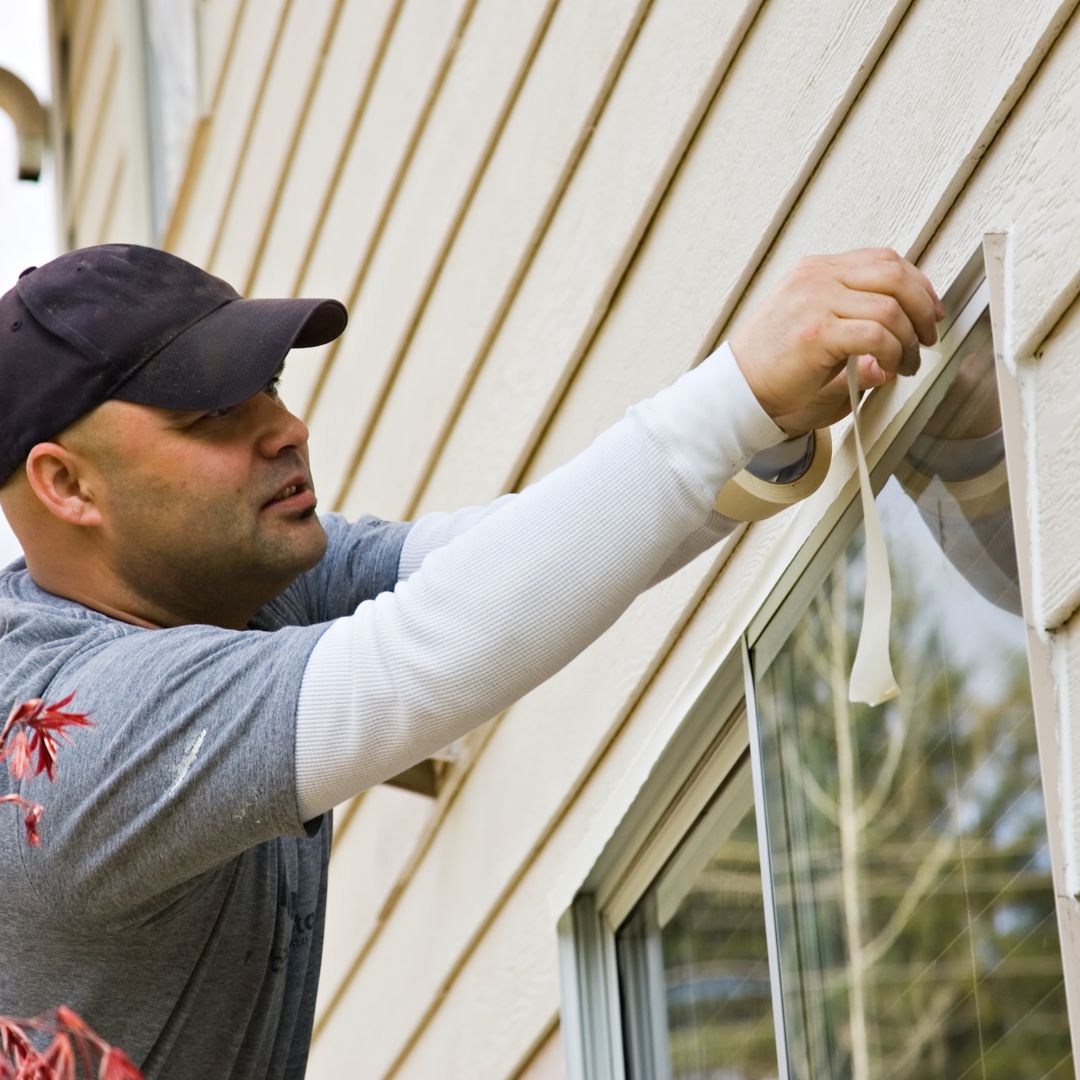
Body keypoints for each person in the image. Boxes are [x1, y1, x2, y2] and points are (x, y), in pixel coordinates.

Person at [0, 243, 942, 1078]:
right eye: (211, 412)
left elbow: (485, 568)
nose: (285, 429)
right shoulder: (64, 743)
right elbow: (415, 658)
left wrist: (757, 427)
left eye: (271, 386)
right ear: (67, 484)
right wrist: (732, 395)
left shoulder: (212, 583)